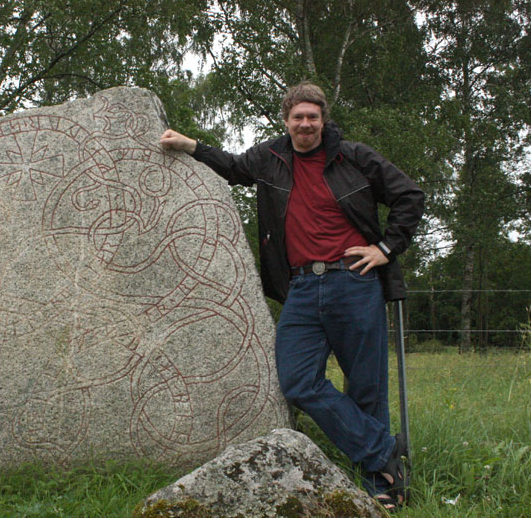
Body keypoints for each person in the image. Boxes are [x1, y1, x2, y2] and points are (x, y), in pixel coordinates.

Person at [160, 81, 424, 511]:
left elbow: (409, 196)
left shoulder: (353, 157)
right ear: (286, 120)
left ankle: (382, 485)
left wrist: (385, 248)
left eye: (312, 117)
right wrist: (191, 145)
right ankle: (383, 449)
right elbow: (230, 166)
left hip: (353, 280)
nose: (305, 124)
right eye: (298, 117)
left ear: (323, 119)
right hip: (300, 287)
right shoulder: (270, 158)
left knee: (366, 387)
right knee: (298, 382)